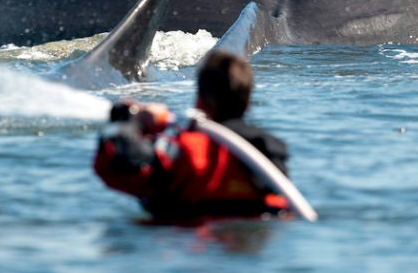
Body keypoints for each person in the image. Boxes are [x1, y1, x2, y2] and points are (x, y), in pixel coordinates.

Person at [93, 50, 291, 222]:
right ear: (247, 105)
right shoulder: (271, 154)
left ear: (200, 101)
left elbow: (115, 166)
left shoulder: (185, 149)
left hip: (192, 248)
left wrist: (132, 121)